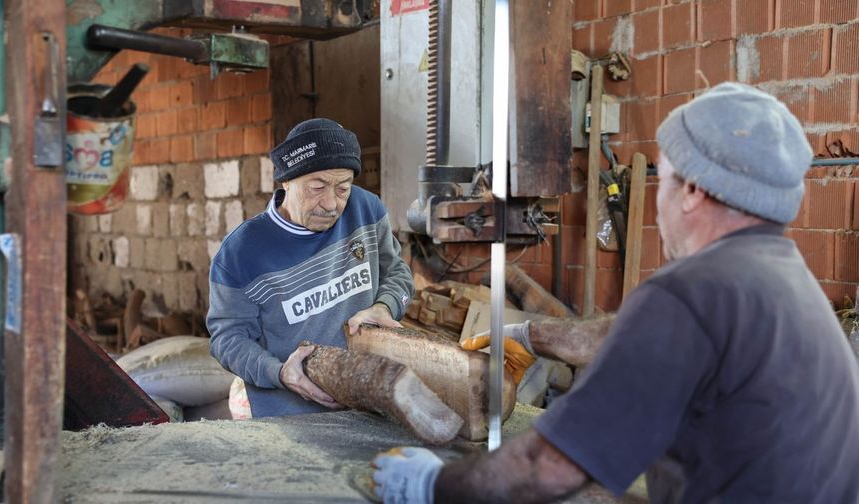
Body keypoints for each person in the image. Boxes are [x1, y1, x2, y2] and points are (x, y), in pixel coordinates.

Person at [371, 83, 859, 503]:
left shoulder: (691, 292)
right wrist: (525, 332)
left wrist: (435, 486)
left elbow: (551, 466)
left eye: (663, 178)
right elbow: (626, 337)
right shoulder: (780, 278)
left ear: (691, 190)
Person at [207, 118, 415, 417]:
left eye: (343, 188)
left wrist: (386, 306)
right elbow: (228, 340)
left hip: (371, 407)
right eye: (317, 187)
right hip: (292, 422)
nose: (331, 203)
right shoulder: (242, 253)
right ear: (286, 181)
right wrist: (279, 373)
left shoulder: (366, 210)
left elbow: (397, 273)